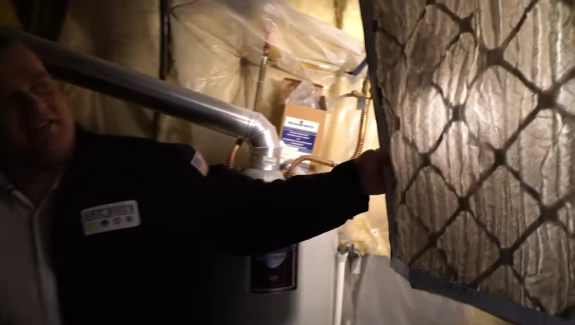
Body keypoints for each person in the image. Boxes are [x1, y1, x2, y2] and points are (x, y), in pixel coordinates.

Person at [0, 39, 388, 325]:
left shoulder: (142, 170)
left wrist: (353, 183)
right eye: (10, 101)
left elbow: (254, 214)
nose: (36, 106)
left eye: (41, 86)